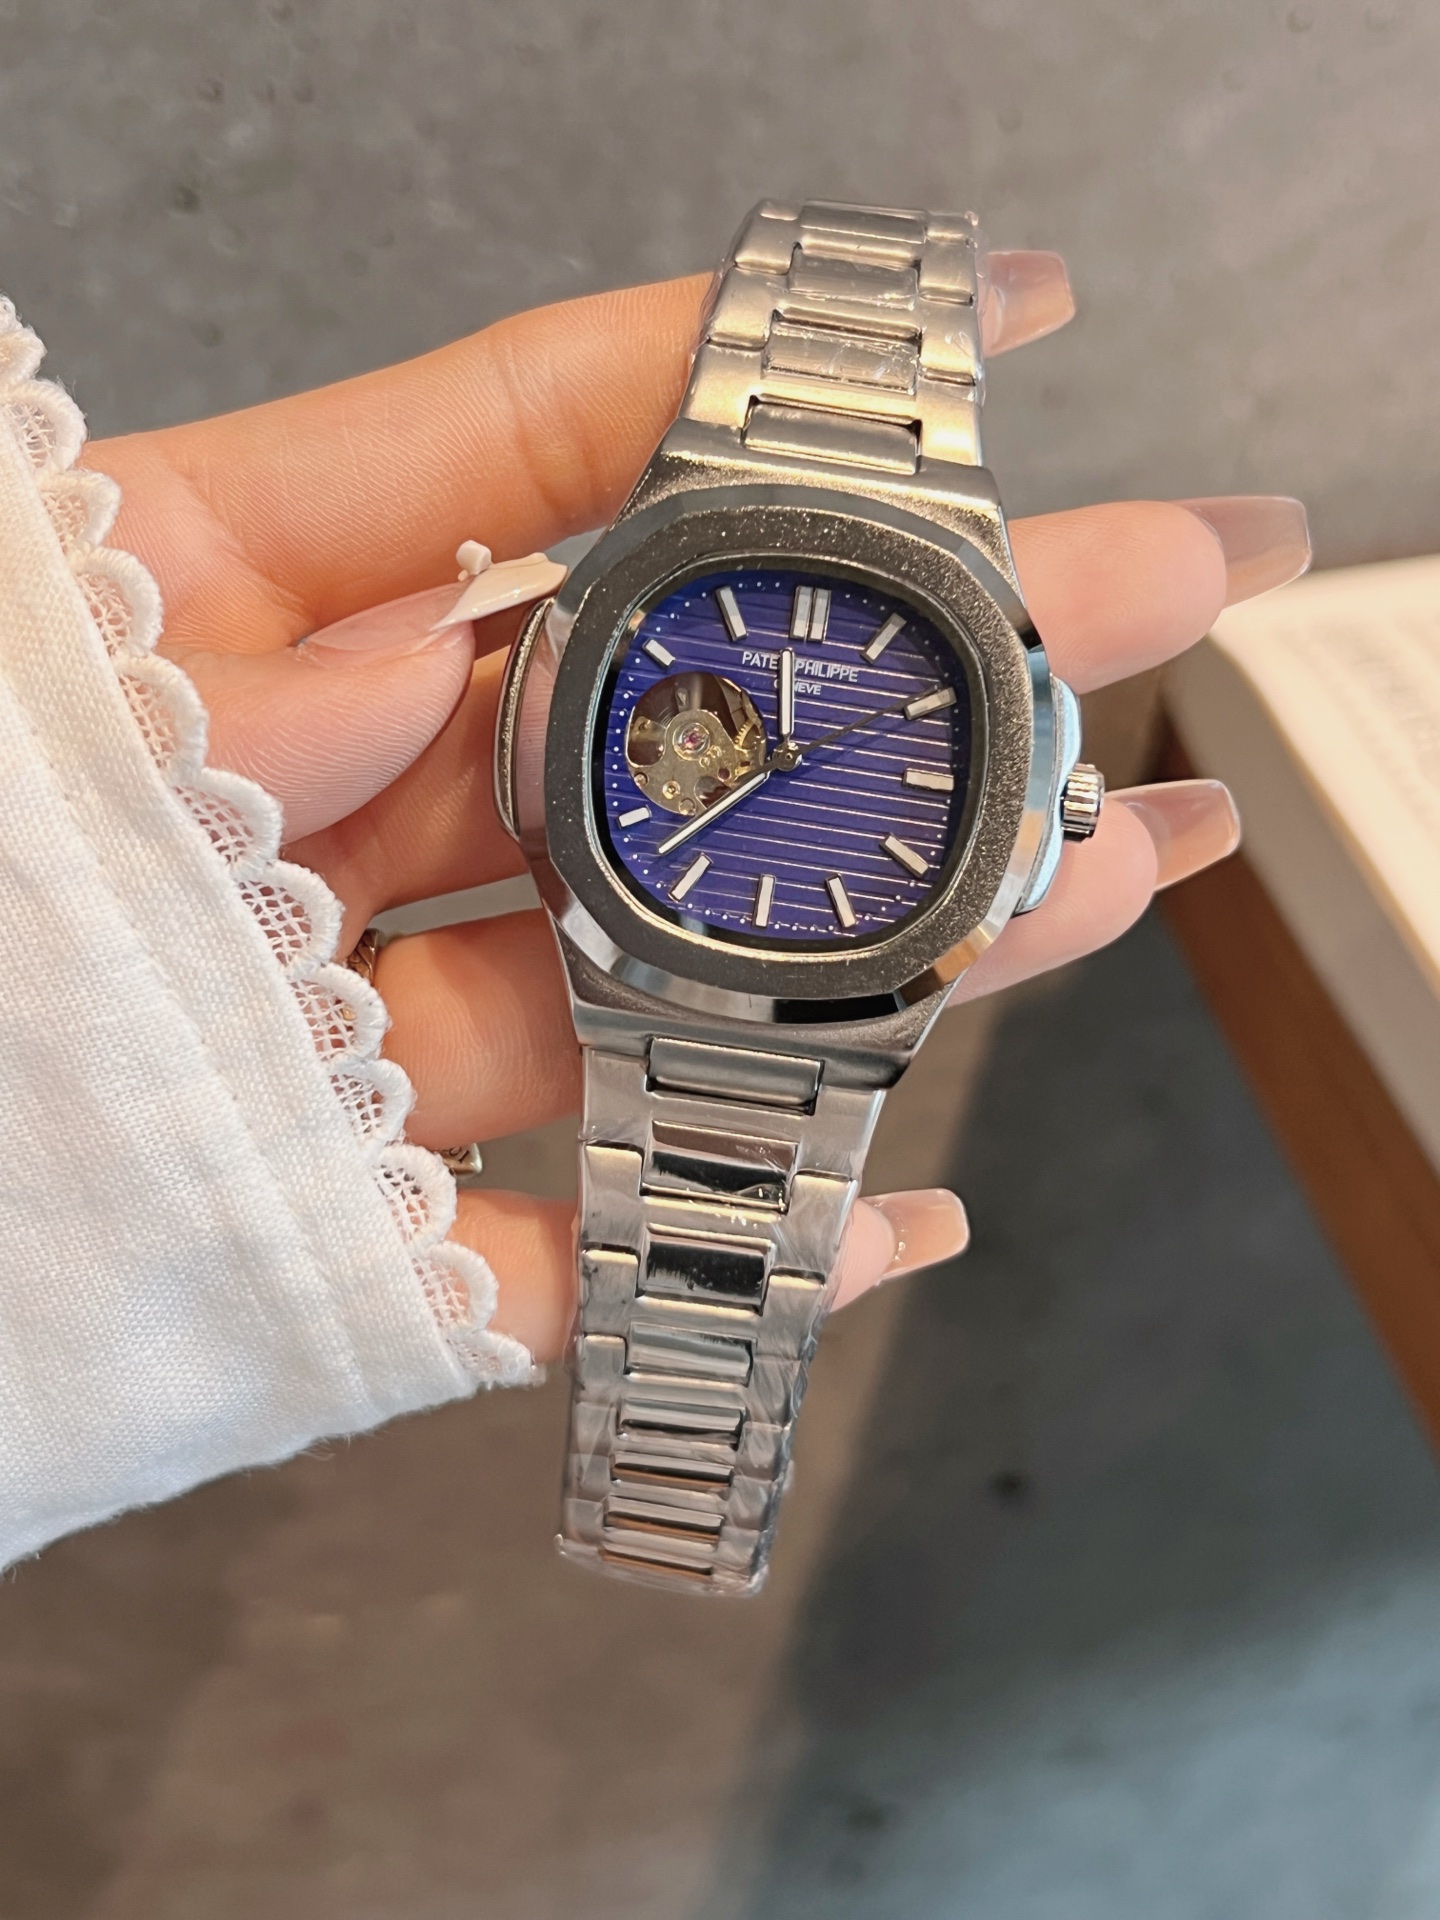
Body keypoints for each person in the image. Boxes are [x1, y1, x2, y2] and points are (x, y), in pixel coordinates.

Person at [0, 255, 1307, 1568]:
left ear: (1032, 825)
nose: (776, 761)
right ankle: (666, 1509)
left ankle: (672, 1502)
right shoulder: (638, 720)